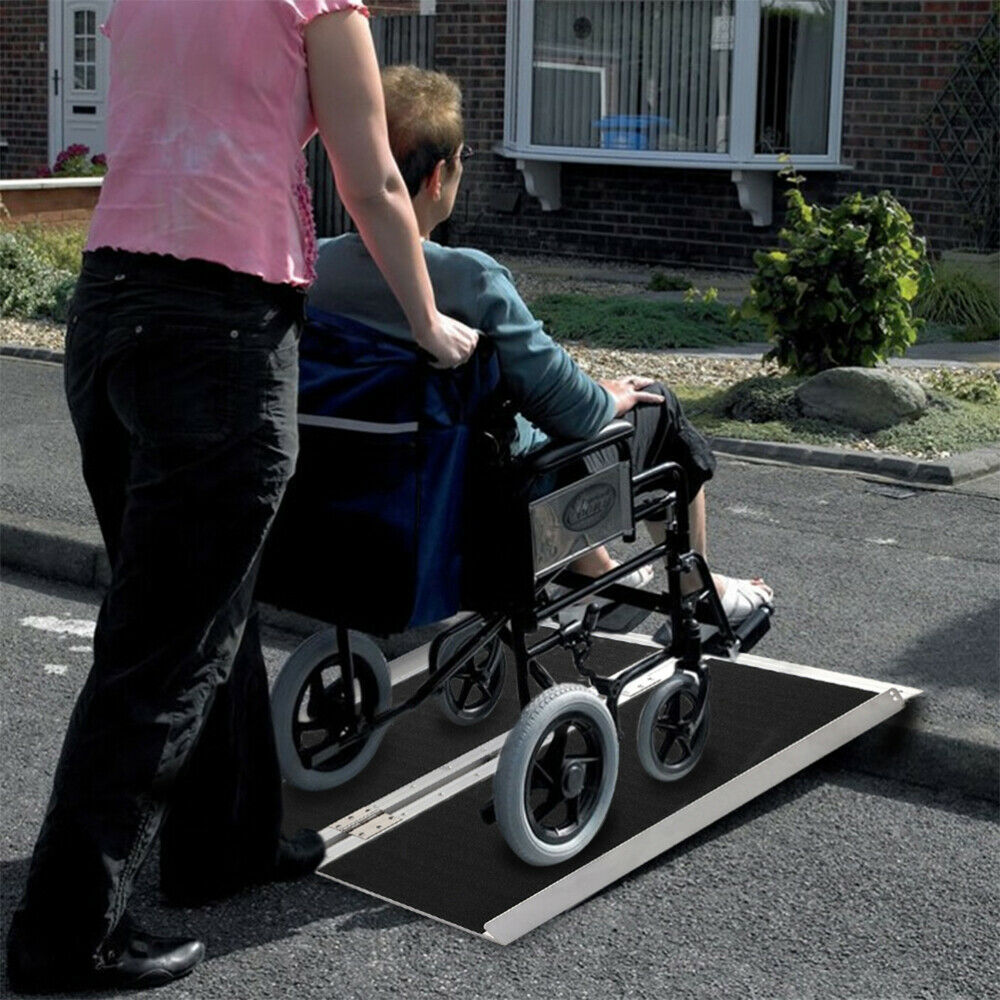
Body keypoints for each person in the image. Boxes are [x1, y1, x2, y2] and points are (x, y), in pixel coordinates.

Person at [6, 5, 481, 995]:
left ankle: (226, 840)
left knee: (201, 611)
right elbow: (376, 179)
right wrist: (429, 322)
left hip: (108, 316)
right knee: (167, 646)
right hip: (219, 330)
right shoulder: (315, 7)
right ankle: (66, 933)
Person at [308, 65, 774, 623]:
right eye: (463, 160)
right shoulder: (470, 280)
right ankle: (700, 590)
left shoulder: (313, 268)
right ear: (438, 176)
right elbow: (573, 410)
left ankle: (594, 571)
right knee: (659, 406)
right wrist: (611, 395)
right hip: (487, 506)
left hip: (367, 503)